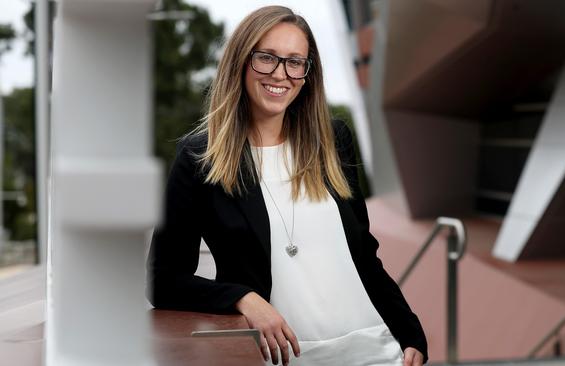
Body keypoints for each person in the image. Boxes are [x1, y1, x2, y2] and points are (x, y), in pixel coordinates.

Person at [147, 5, 427, 366]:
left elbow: (364, 255)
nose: (281, 74)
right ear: (241, 62)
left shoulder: (334, 140)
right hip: (282, 358)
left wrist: (410, 332)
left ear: (308, 73)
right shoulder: (200, 159)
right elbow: (163, 280)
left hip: (376, 349)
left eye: (296, 62)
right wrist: (243, 298)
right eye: (267, 58)